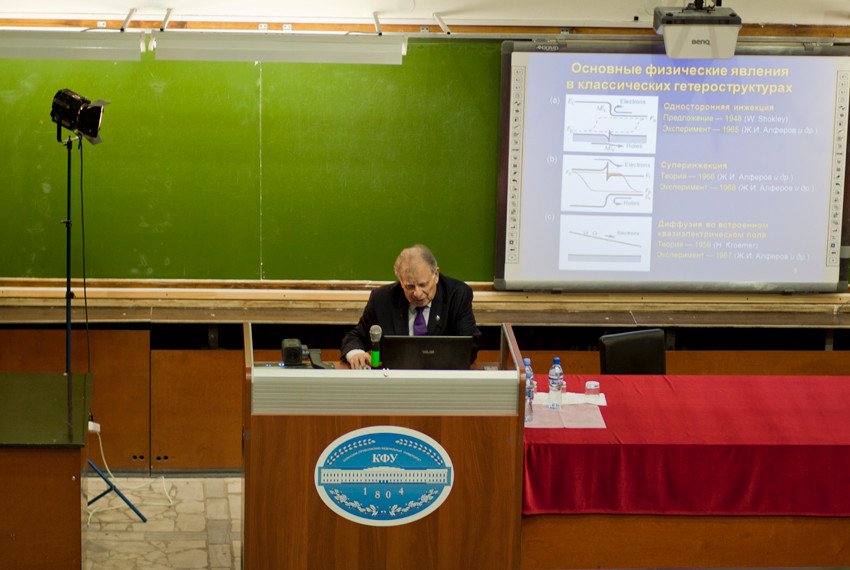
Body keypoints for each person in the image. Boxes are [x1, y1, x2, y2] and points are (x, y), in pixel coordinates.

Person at [341, 244, 481, 369]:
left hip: (442, 378)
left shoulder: (457, 295)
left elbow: (470, 345)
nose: (417, 293)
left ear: (436, 275)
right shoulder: (382, 299)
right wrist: (355, 353)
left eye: (423, 284)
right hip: (394, 380)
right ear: (401, 282)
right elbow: (355, 337)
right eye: (409, 286)